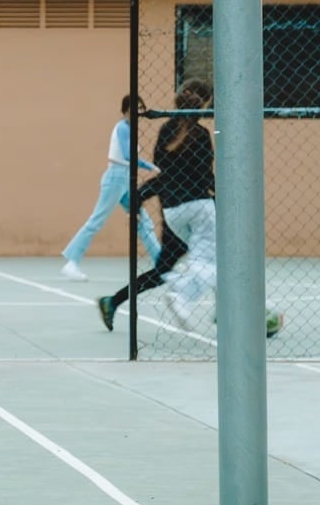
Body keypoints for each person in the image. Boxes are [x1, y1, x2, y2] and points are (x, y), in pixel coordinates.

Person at [97, 79, 210, 331]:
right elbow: (204, 177)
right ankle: (217, 311)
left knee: (164, 270)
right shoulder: (201, 135)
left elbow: (164, 175)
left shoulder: (166, 130)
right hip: (198, 210)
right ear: (206, 103)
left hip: (171, 211)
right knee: (218, 259)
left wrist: (138, 199)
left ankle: (113, 301)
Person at [60, 94, 165, 281]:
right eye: (135, 108)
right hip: (116, 178)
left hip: (125, 178)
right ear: (125, 110)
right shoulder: (123, 128)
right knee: (97, 220)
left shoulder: (130, 128)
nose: (139, 112)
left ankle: (161, 262)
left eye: (141, 108)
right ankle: (72, 262)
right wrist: (151, 166)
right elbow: (126, 155)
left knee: (142, 221)